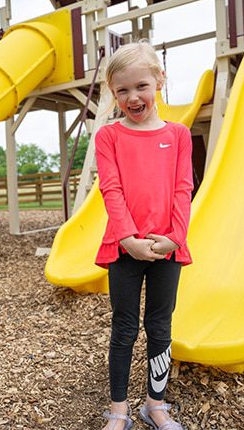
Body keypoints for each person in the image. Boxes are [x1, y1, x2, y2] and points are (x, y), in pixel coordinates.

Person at [95, 41, 193, 430]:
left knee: (160, 326)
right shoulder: (109, 136)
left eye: (141, 86)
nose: (133, 97)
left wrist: (175, 236)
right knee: (123, 327)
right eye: (122, 90)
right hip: (123, 248)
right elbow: (111, 190)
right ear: (113, 93)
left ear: (159, 81)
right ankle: (118, 410)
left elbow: (183, 188)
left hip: (169, 246)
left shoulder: (179, 134)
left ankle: (155, 405)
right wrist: (128, 238)